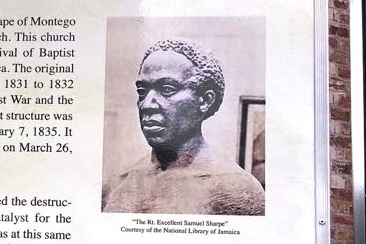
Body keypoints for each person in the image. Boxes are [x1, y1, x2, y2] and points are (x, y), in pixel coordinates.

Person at [102, 39, 265, 216]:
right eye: (142, 91)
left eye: (167, 89)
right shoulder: (115, 186)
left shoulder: (237, 190)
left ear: (205, 100)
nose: (147, 104)